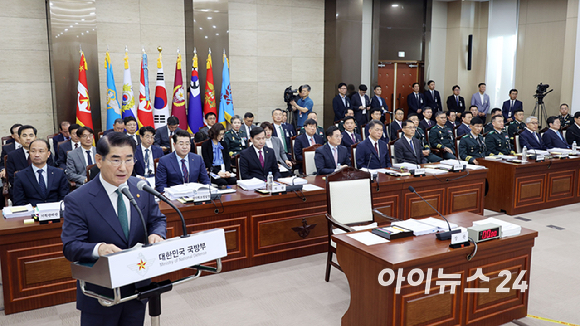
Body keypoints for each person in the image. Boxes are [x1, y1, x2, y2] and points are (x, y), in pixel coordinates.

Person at [61, 131, 166, 326]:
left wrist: (156, 234)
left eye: (129, 160)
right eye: (116, 160)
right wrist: (98, 249)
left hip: (137, 285)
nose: (123, 168)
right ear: (99, 160)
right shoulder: (78, 199)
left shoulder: (140, 187)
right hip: (101, 294)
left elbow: (157, 220)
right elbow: (71, 247)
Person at [13, 139, 68, 206]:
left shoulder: (59, 173)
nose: (37, 155)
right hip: (32, 214)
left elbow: (64, 197)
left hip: (55, 212)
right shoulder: (20, 176)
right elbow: (19, 202)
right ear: (29, 153)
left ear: (48, 154)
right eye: (33, 151)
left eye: (41, 151)